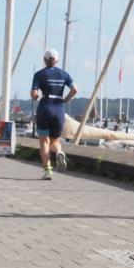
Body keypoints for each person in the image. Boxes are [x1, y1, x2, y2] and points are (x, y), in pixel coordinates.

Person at [30, 49, 77, 180]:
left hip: (45, 107)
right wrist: (66, 99)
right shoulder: (64, 74)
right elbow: (75, 89)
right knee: (55, 140)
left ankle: (48, 171)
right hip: (59, 108)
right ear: (57, 60)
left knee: (44, 141)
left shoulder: (39, 74)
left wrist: (36, 96)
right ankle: (59, 152)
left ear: (44, 60)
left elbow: (33, 94)